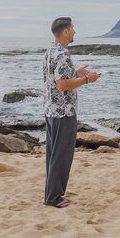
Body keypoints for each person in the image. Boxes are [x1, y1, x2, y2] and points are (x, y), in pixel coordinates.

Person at [43, 17, 101, 208]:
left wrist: (77, 72)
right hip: (63, 112)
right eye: (73, 28)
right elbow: (62, 84)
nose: (75, 31)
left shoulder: (51, 50)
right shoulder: (62, 54)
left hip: (51, 110)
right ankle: (54, 197)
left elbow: (59, 77)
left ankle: (52, 194)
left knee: (53, 154)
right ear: (65, 31)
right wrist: (87, 80)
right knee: (62, 154)